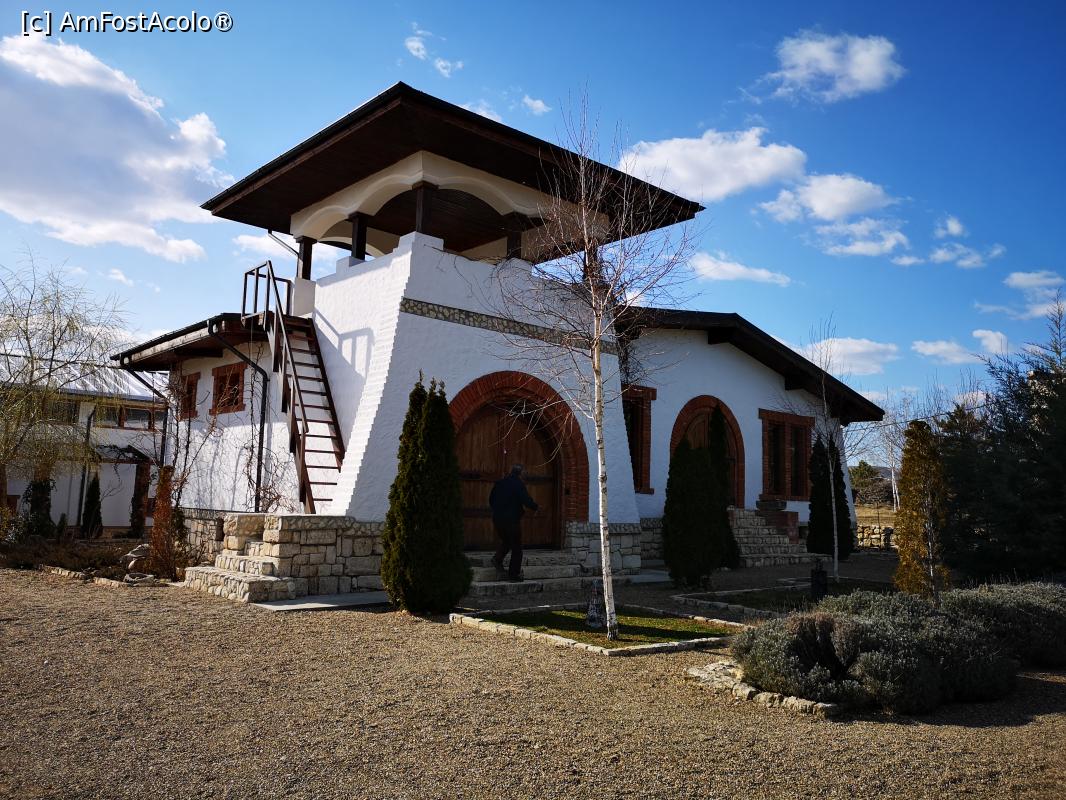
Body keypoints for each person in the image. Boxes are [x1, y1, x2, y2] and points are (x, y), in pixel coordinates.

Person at [488, 464, 538, 581]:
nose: (525, 476)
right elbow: (526, 500)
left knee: (507, 541)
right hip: (511, 520)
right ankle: (514, 574)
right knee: (517, 547)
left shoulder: (500, 483)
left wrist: (497, 510)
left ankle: (497, 559)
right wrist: (535, 507)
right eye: (524, 473)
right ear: (520, 474)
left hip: (497, 518)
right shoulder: (518, 484)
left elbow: (491, 499)